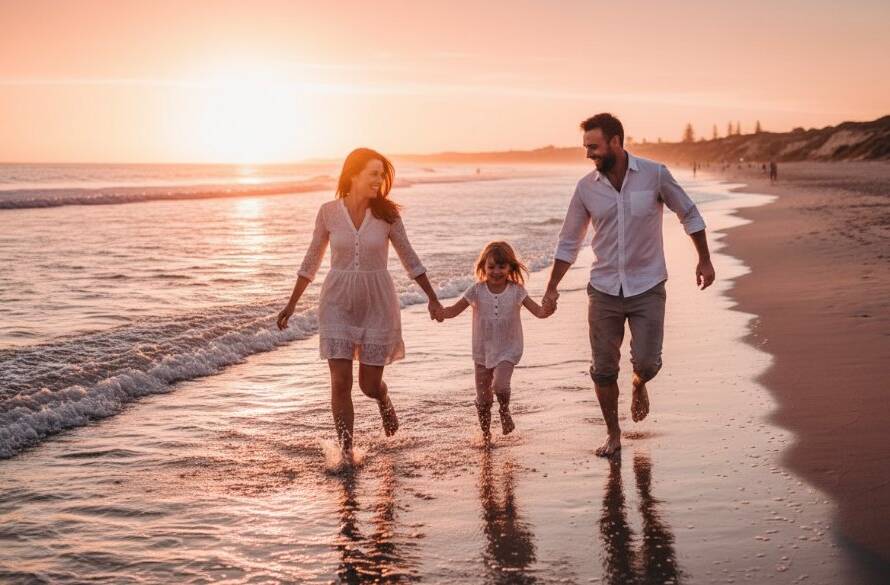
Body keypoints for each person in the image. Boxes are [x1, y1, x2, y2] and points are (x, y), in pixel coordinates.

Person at [542, 113, 715, 457]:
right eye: (585, 147)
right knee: (603, 369)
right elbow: (568, 242)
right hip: (604, 289)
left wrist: (705, 259)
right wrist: (551, 287)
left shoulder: (654, 175)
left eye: (593, 146)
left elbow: (690, 214)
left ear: (616, 142)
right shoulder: (586, 188)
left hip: (648, 286)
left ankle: (639, 382)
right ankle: (613, 433)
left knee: (649, 363)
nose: (588, 153)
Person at [277, 148, 443, 459]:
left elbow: (410, 259)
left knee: (368, 385)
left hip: (377, 302)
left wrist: (433, 298)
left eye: (382, 175)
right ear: (353, 174)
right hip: (336, 301)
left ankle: (382, 399)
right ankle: (347, 452)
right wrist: (291, 304)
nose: (379, 181)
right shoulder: (328, 212)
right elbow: (311, 260)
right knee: (340, 382)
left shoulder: (388, 215)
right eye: (373, 174)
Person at [436, 242, 552, 441]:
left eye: (501, 267)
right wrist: (440, 313)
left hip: (508, 349)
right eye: (491, 267)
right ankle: (486, 436)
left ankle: (505, 410)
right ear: (483, 268)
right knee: (483, 400)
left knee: (500, 386)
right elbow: (454, 310)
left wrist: (548, 307)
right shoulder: (476, 290)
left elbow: (538, 312)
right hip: (482, 351)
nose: (496, 272)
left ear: (510, 268)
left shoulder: (517, 291)